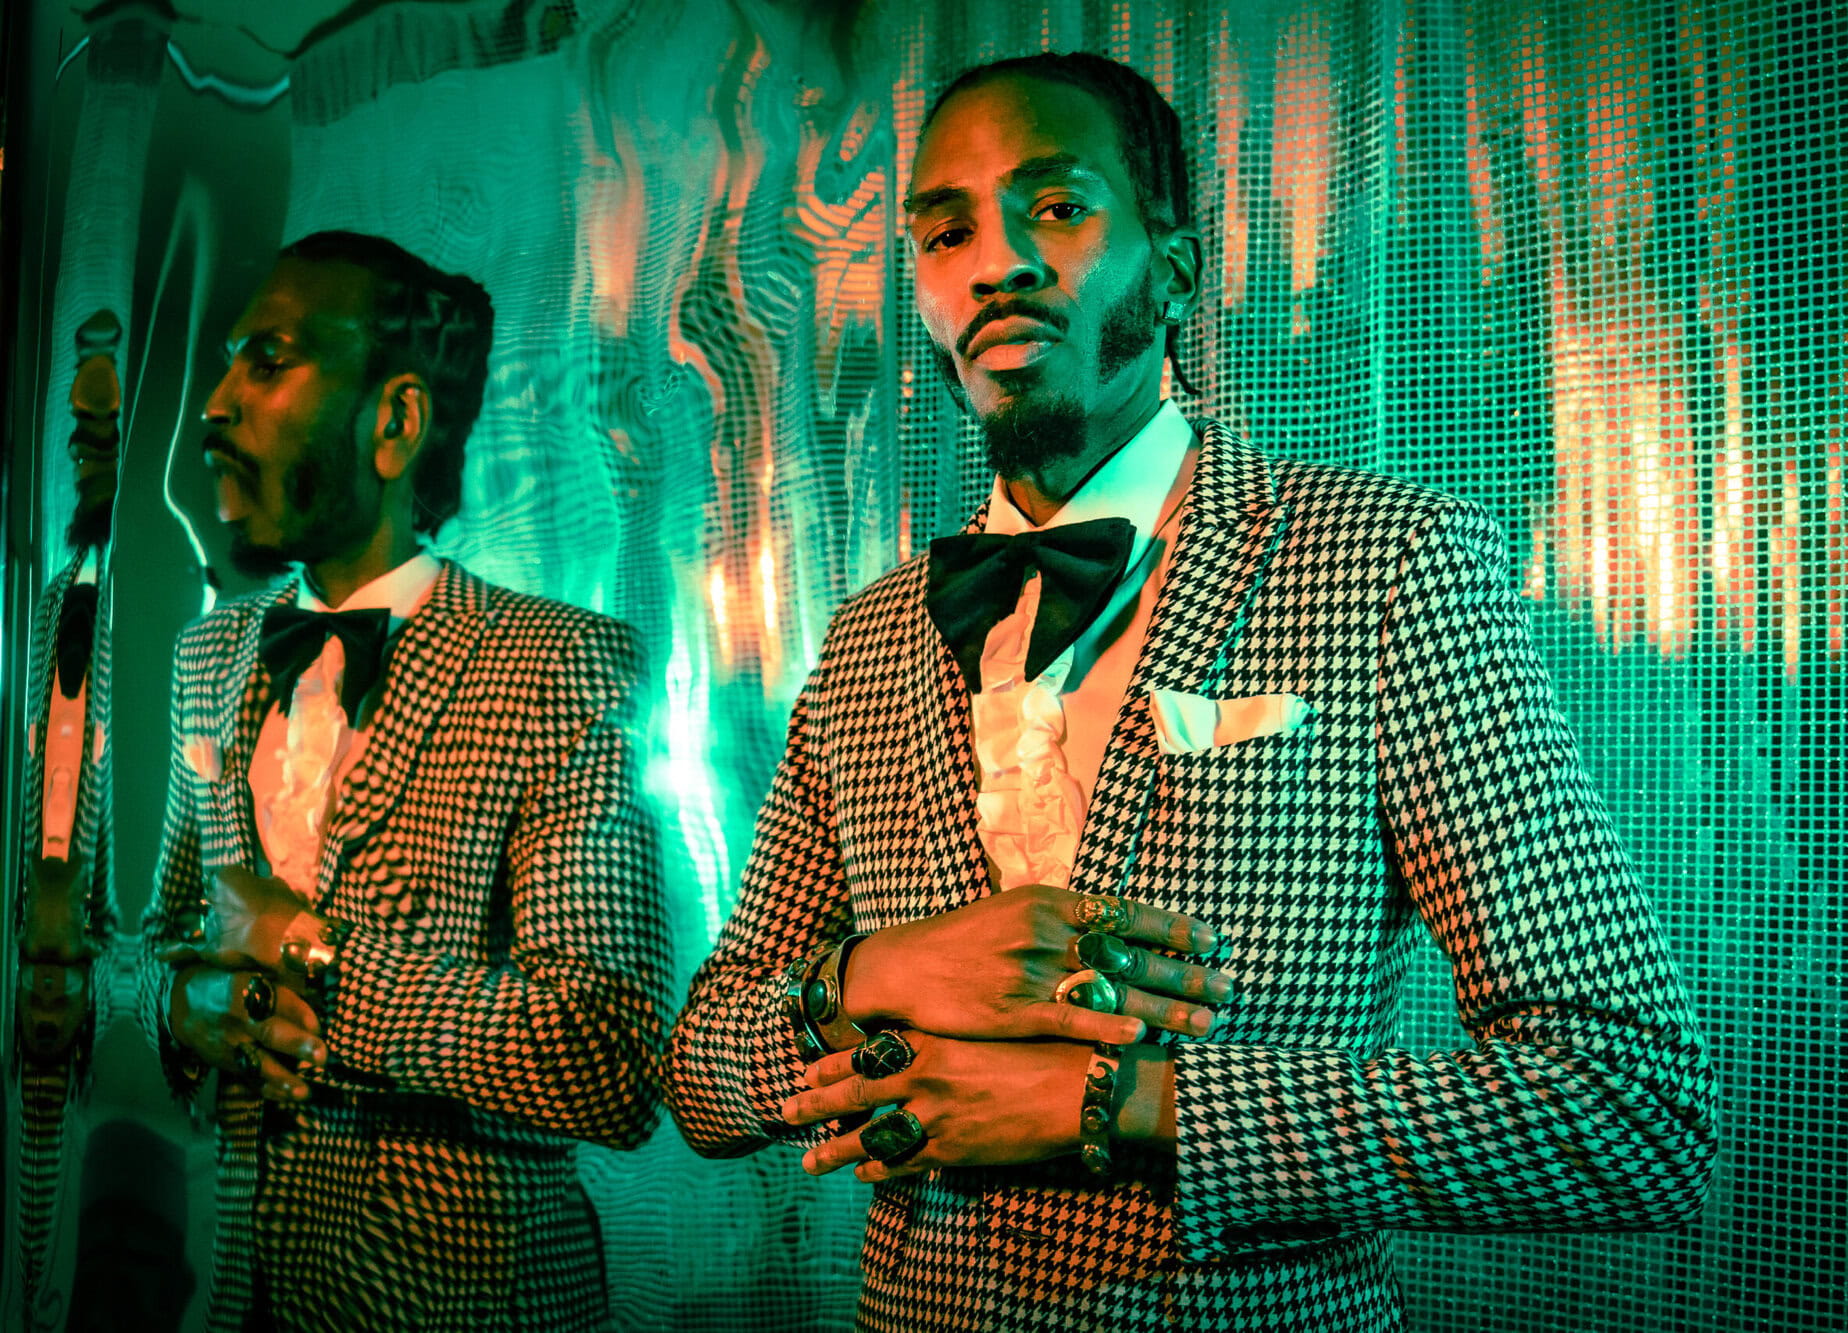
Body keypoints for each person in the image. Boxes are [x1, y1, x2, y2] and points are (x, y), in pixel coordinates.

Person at [663, 52, 1717, 1331]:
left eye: (1055, 207)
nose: (994, 259)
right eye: (945, 231)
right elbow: (703, 1078)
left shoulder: (1382, 565)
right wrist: (879, 971)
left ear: (1171, 266)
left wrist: (1121, 1103)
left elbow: (1630, 1106)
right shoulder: (871, 636)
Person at [140, 231, 672, 1331]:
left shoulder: (557, 663)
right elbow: (161, 938)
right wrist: (180, 1001)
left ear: (394, 423)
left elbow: (612, 1055)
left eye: (267, 360)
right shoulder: (209, 656)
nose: (214, 405)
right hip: (227, 1282)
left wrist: (315, 961)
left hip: (462, 1303)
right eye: (229, 362)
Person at [15, 308, 126, 1300]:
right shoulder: (116, 883)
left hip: (71, 611)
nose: (47, 995)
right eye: (63, 995)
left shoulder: (18, 859)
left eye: (33, 999)